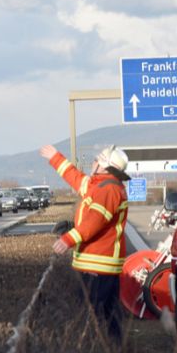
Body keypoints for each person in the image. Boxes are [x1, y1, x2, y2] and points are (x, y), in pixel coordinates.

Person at [39, 144, 130, 340]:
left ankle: (102, 352)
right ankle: (115, 352)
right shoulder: (101, 185)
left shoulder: (108, 189)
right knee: (108, 317)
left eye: (97, 160)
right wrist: (55, 158)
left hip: (97, 265)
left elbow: (93, 222)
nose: (93, 162)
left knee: (93, 317)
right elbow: (75, 178)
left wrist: (68, 239)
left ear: (104, 166)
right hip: (99, 264)